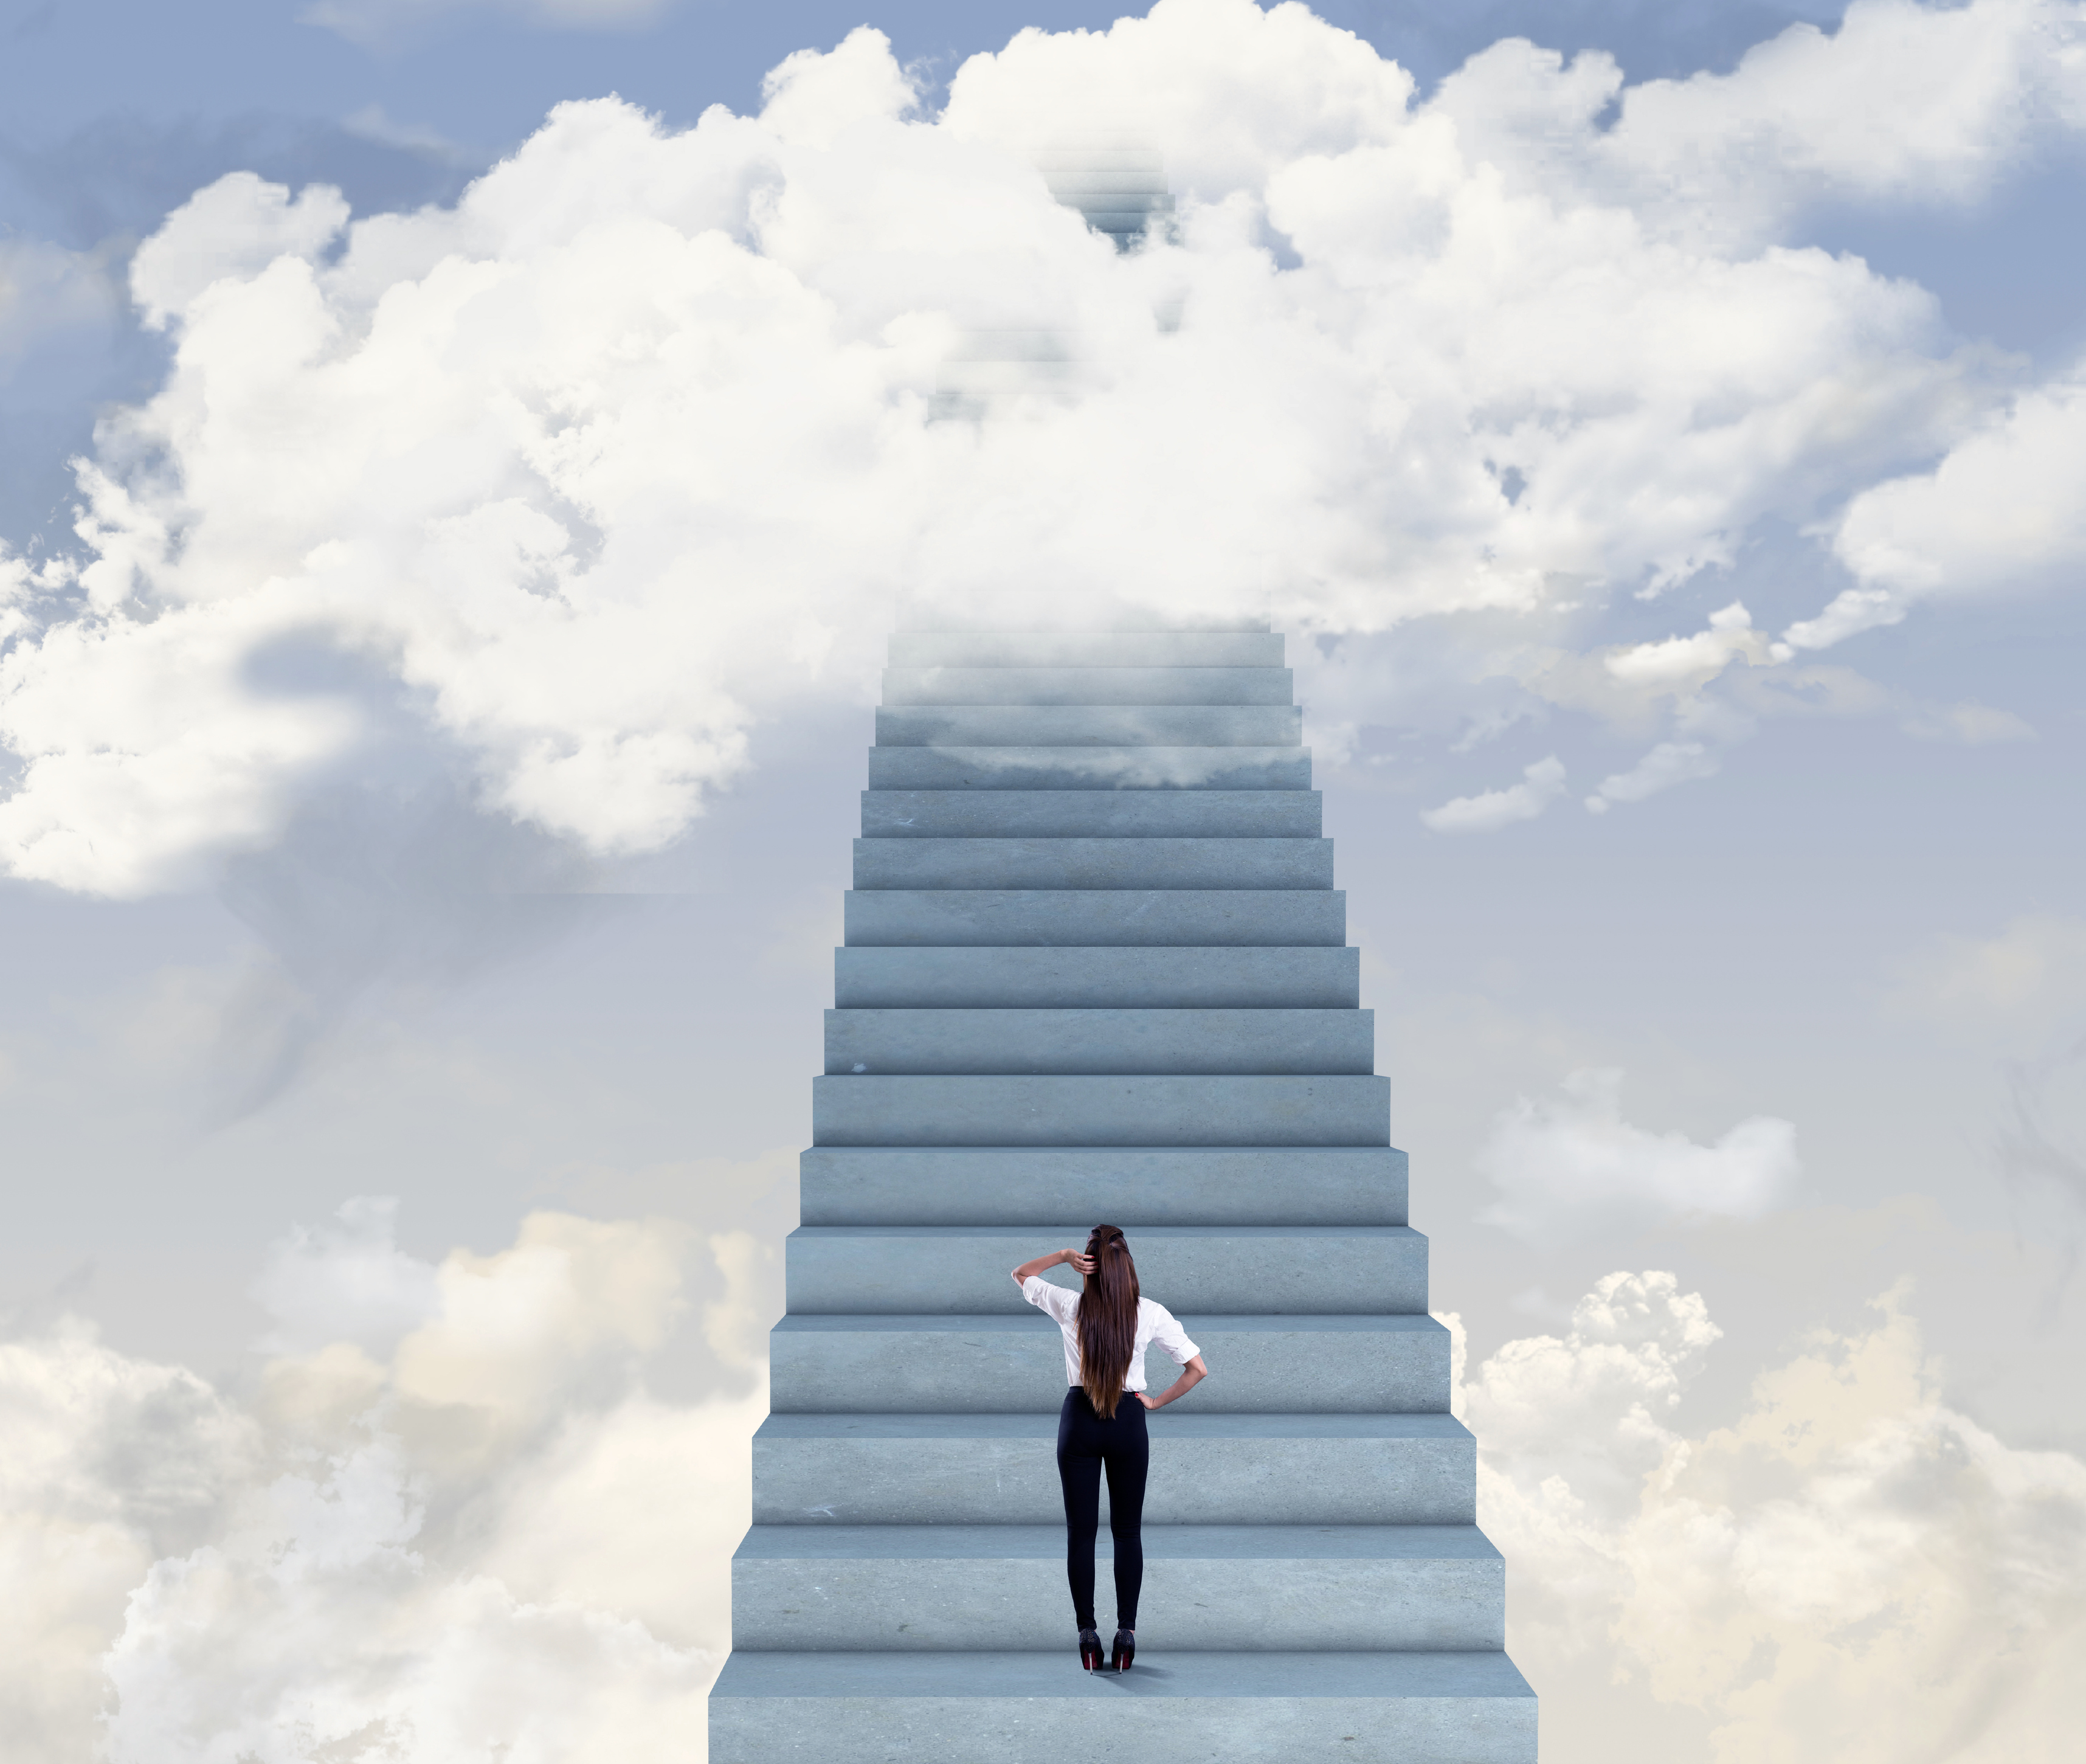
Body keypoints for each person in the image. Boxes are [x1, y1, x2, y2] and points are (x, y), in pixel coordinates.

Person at [1010, 1224, 1211, 1673]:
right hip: (1127, 1422)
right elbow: (1197, 1368)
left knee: (1081, 1534)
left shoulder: (1069, 1304)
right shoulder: (1151, 1312)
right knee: (1127, 1532)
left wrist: (1062, 1255)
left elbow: (1020, 1273)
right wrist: (1154, 1401)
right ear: (1128, 1269)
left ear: (1090, 1266)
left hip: (1078, 1419)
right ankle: (1125, 1635)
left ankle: (1086, 1635)